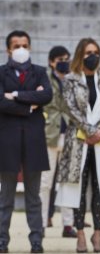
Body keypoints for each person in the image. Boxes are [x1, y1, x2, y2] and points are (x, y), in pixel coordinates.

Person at [55, 38, 100, 253]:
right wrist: (90, 131)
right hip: (78, 141)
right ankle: (81, 234)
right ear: (79, 55)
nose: (92, 56)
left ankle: (98, 234)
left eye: (95, 52)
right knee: (79, 189)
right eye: (87, 53)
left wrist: (98, 131)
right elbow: (70, 109)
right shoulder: (71, 80)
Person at [0, 30, 53, 253]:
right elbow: (0, 103)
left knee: (34, 197)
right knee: (6, 197)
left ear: (30, 47)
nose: (20, 49)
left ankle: (36, 241)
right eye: (16, 45)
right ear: (8, 49)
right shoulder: (0, 73)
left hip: (33, 140)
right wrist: (31, 105)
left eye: (24, 45)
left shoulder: (40, 72)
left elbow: (47, 96)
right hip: (8, 140)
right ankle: (2, 240)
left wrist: (17, 96)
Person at [39, 46, 77, 238]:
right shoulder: (44, 79)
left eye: (67, 59)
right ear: (51, 62)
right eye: (60, 59)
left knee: (67, 181)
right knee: (45, 182)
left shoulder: (73, 81)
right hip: (49, 134)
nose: (64, 62)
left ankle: (68, 224)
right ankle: (41, 223)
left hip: (69, 135)